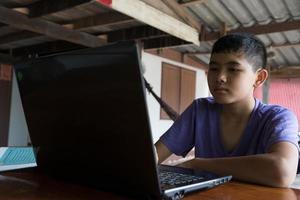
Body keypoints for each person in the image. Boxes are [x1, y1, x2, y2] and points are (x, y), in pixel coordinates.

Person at [155, 33, 299, 188]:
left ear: (259, 78)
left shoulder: (278, 117)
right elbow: (155, 156)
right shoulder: (200, 110)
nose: (220, 77)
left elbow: (282, 171)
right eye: (214, 68)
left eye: (233, 69)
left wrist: (197, 164)